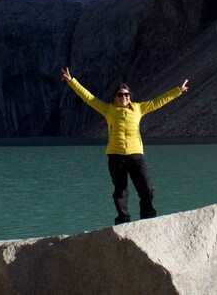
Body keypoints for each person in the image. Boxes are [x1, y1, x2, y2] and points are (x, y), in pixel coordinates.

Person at [61, 67, 189, 225]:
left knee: (147, 188)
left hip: (136, 154)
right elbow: (88, 97)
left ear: (130, 97)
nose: (124, 97)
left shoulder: (139, 108)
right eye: (120, 94)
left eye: (126, 94)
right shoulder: (108, 110)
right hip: (115, 155)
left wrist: (178, 91)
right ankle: (123, 220)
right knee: (120, 191)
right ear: (115, 97)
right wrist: (71, 81)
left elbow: (158, 102)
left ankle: (148, 217)